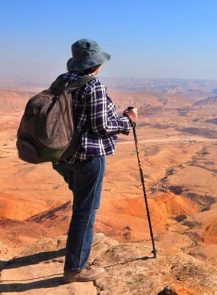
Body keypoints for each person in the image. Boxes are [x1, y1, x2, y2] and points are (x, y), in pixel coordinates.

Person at [52, 39, 138, 282]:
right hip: (88, 156)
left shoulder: (62, 80)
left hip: (62, 155)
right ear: (96, 64)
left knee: (82, 204)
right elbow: (102, 127)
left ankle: (82, 242)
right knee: (85, 210)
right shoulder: (94, 86)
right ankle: (75, 268)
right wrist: (128, 121)